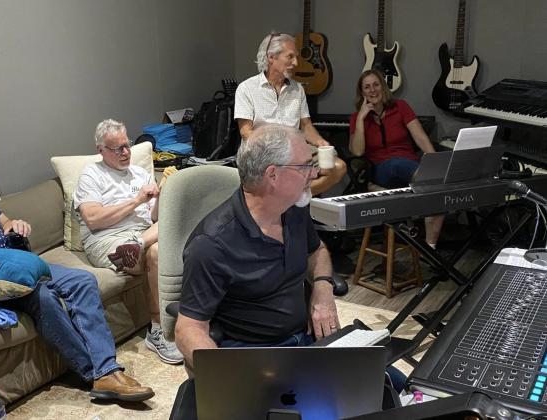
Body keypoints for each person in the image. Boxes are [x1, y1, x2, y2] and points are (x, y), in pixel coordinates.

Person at [0, 135, 154, 402]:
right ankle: (96, 375)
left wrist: (13, 224)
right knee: (45, 298)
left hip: (18, 262)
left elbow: (3, 219)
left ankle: (106, 368)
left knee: (83, 281)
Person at [174, 124, 340, 369]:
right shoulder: (211, 245)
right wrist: (226, 379)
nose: (314, 174)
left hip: (308, 340)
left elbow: (317, 251)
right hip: (255, 355)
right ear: (272, 175)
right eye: (305, 165)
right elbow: (187, 329)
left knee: (382, 379)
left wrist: (323, 289)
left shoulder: (293, 208)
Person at [74, 119, 183, 365]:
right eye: (117, 149)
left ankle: (139, 243)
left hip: (142, 234)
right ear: (100, 150)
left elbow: (156, 217)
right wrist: (135, 201)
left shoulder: (141, 173)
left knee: (162, 242)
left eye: (127, 145)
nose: (125, 152)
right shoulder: (92, 175)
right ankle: (157, 331)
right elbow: (92, 220)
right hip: (108, 240)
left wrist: (165, 193)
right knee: (157, 250)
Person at [234, 32, 347, 197]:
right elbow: (246, 133)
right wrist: (276, 150)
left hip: (294, 151)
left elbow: (306, 125)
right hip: (262, 153)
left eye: (296, 57)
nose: (296, 63)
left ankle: (294, 198)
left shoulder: (297, 89)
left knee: (338, 167)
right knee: (283, 176)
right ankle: (288, 199)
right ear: (271, 57)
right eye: (290, 57)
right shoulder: (246, 89)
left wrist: (320, 141)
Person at [349, 69, 443, 248]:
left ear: (383, 87)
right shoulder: (357, 118)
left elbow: (421, 137)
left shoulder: (400, 107)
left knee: (435, 183)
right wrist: (361, 118)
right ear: (362, 93)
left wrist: (435, 164)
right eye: (367, 87)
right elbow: (358, 151)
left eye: (376, 85)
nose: (372, 90)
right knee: (395, 165)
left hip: (409, 165)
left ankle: (430, 246)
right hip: (382, 169)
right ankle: (413, 182)